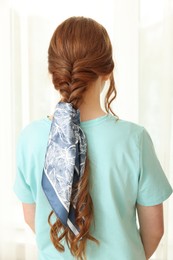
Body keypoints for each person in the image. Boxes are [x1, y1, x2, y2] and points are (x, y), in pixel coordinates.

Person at [14, 17, 172, 260]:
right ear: (108, 70)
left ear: (53, 72)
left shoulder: (30, 139)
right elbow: (155, 231)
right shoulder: (135, 140)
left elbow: (31, 218)